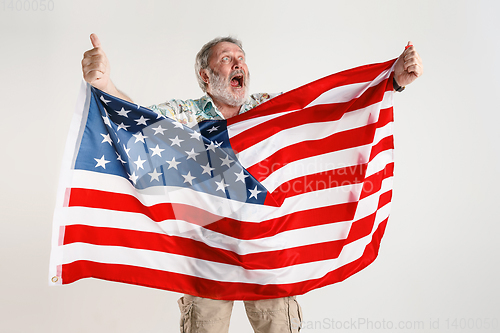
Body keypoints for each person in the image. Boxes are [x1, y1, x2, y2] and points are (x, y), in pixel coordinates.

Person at [81, 33, 423, 333]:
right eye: (226, 59)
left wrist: (391, 81)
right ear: (206, 75)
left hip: (267, 251)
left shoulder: (271, 109)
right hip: (207, 250)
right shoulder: (185, 113)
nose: (237, 64)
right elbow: (141, 123)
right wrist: (106, 85)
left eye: (240, 58)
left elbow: (330, 107)